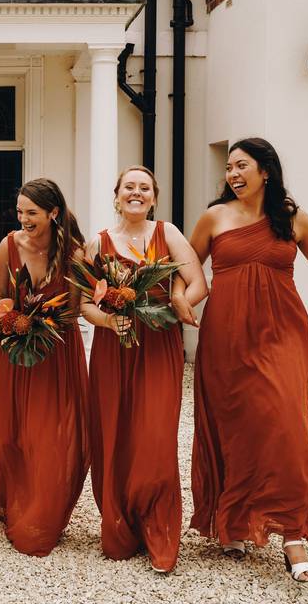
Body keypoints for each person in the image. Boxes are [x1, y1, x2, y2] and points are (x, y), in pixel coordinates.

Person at [182, 138, 308, 582]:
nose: (233, 174)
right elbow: (180, 269)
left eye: (241, 165)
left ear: (266, 170)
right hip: (226, 336)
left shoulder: (292, 217)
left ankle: (293, 533)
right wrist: (180, 301)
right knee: (233, 424)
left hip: (283, 333)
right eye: (228, 167)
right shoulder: (214, 217)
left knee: (286, 426)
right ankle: (234, 522)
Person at [82, 165, 207, 572]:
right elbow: (82, 304)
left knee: (155, 437)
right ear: (116, 195)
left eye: (145, 188)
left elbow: (198, 283)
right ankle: (120, 526)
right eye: (129, 187)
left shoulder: (167, 234)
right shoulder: (96, 243)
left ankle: (158, 530)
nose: (136, 193)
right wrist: (106, 320)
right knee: (114, 434)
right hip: (113, 348)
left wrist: (176, 295)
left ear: (154, 197)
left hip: (157, 346)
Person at [0, 177, 89, 557]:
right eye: (20, 211)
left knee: (50, 431)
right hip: (12, 353)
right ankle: (12, 496)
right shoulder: (8, 245)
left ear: (53, 213)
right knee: (13, 431)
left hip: (56, 353)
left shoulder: (74, 252)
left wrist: (42, 320)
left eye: (32, 213)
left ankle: (44, 507)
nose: (23, 219)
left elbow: (74, 312)